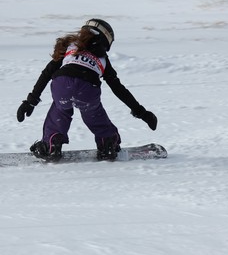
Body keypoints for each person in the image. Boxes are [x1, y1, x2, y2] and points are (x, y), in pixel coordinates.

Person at [17, 18, 157, 161]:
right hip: (88, 89)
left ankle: (51, 145)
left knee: (59, 109)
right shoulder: (103, 59)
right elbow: (118, 88)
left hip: (62, 84)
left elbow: (46, 73)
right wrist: (142, 112)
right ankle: (107, 145)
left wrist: (30, 101)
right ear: (106, 40)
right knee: (94, 114)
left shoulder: (70, 47)